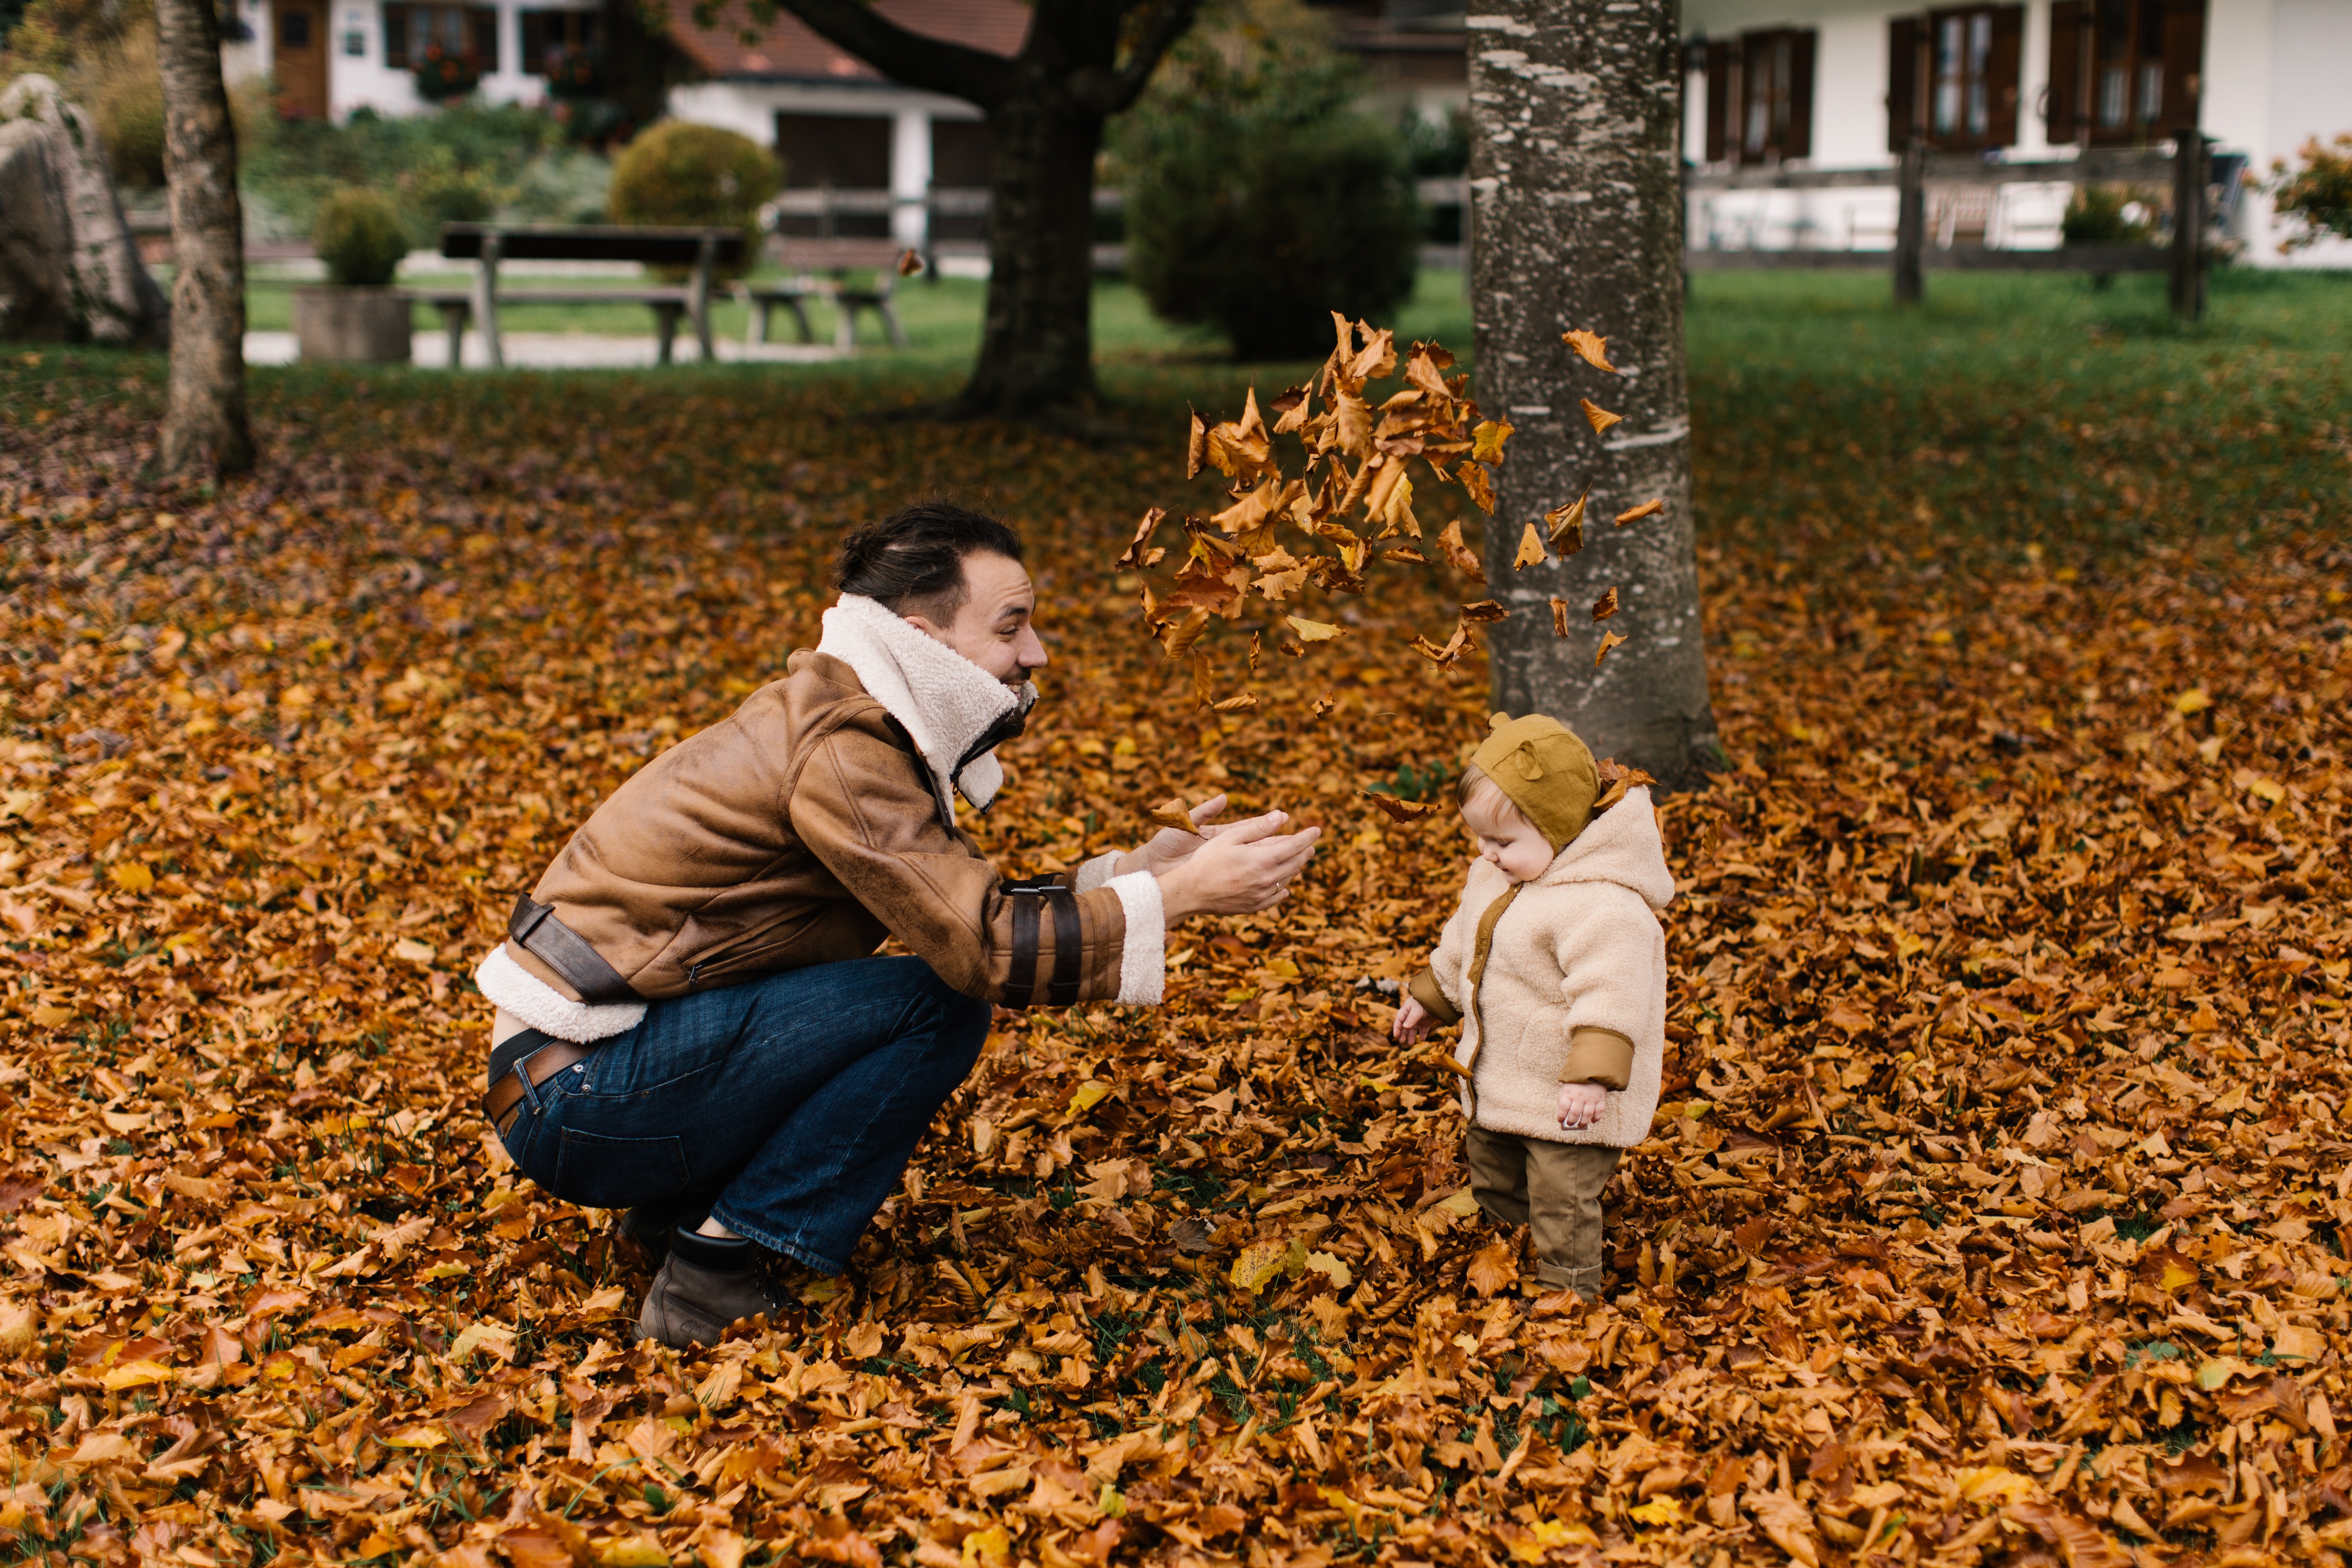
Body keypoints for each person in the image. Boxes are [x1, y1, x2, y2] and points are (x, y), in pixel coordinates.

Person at [475, 502, 1320, 1347]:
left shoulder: (845, 714)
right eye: (1011, 625)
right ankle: (710, 1270)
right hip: (576, 1100)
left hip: (582, 1076)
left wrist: (1135, 873)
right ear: (923, 637)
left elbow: (948, 910)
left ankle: (677, 1216)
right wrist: (1180, 898)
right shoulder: (845, 742)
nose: (1036, 653)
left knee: (914, 990)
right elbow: (979, 948)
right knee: (939, 1003)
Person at [1390, 712, 1672, 1299]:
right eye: (1478, 837)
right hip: (1501, 1077)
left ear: (1560, 829)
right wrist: (1431, 998)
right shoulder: (1493, 879)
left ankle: (1566, 1291)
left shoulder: (1603, 907)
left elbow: (1613, 993)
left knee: (1560, 1196)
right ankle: (1505, 1251)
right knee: (1492, 1167)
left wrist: (1592, 1078)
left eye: (1502, 842)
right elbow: (1463, 944)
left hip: (1568, 1095)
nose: (1485, 854)